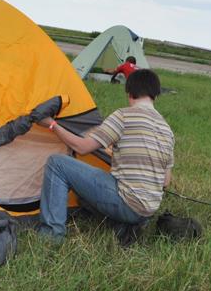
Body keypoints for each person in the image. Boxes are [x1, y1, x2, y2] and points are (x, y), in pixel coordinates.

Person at [37, 69, 174, 242]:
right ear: (155, 95)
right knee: (91, 187)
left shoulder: (124, 116)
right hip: (148, 212)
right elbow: (166, 181)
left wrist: (52, 125)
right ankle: (123, 225)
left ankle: (51, 236)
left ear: (130, 93)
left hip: (128, 204)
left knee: (57, 164)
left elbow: (81, 147)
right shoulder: (166, 129)